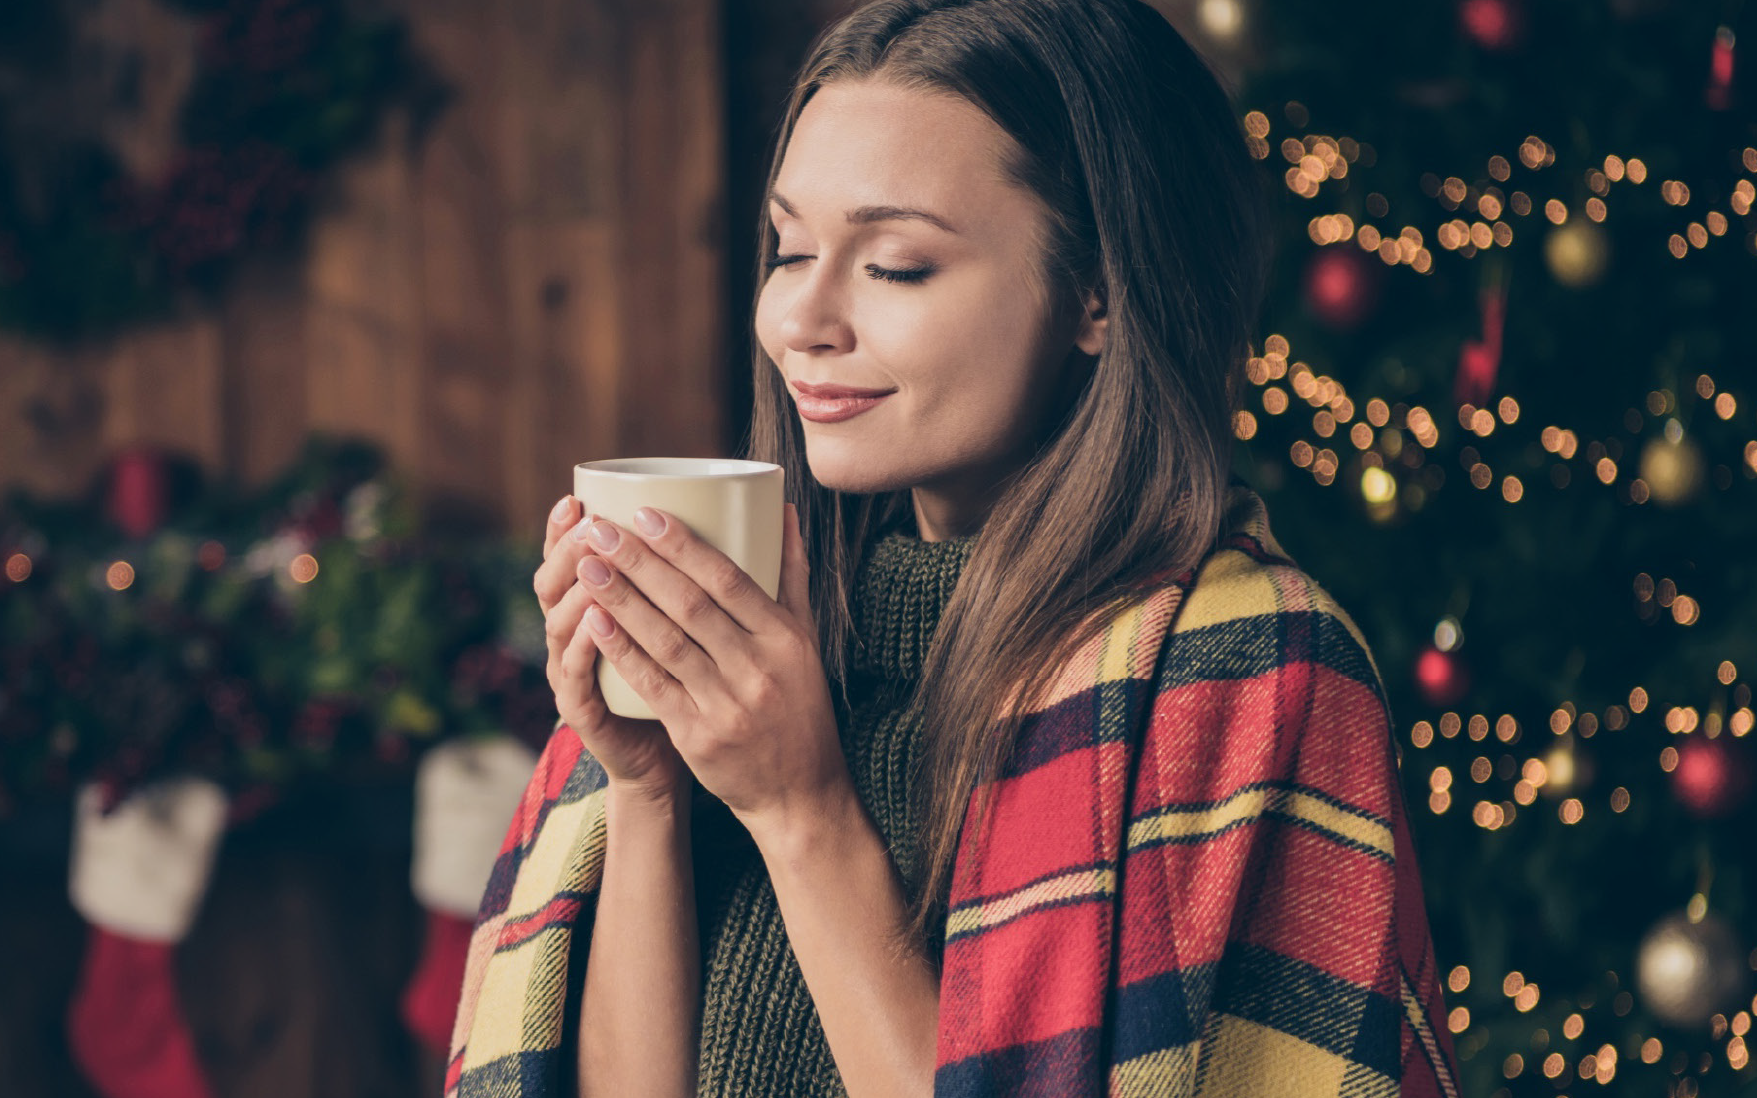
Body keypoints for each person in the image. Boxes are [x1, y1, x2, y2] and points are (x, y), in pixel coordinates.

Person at [440, 1, 1454, 1097]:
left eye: (897, 266)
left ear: (1098, 294)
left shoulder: (1248, 673)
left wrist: (802, 812)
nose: (801, 319)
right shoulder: (753, 647)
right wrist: (646, 788)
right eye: (789, 249)